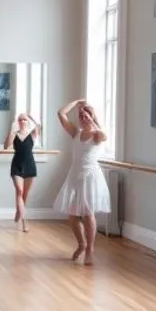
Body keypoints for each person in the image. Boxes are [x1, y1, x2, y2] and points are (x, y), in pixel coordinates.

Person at [54, 100, 110, 264]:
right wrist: (77, 102)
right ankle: (81, 244)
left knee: (87, 213)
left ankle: (90, 249)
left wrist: (92, 120)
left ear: (92, 116)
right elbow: (61, 113)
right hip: (74, 175)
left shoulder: (96, 134)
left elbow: (104, 136)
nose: (83, 118)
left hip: (90, 176)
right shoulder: (76, 133)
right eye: (81, 116)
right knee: (72, 214)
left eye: (85, 115)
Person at [5, 112, 41, 232]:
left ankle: (18, 211)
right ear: (17, 122)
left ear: (28, 121)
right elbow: (6, 146)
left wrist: (31, 116)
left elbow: (38, 126)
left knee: (24, 195)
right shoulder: (14, 135)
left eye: (24, 119)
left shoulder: (32, 135)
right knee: (19, 191)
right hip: (17, 166)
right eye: (20, 120)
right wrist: (12, 129)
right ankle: (24, 222)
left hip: (30, 165)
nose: (22, 121)